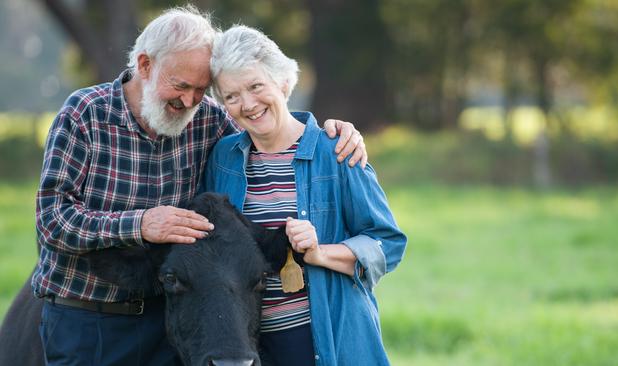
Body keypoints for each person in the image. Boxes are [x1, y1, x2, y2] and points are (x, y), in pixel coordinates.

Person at [32, 6, 367, 366]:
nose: (190, 100)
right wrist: (141, 224)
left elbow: (269, 136)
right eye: (180, 86)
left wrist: (332, 134)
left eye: (200, 88)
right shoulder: (84, 115)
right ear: (145, 66)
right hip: (88, 319)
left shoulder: (209, 118)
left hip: (171, 320)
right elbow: (52, 220)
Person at [205, 25, 407, 366]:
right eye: (232, 96)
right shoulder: (223, 158)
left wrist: (319, 253)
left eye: (256, 86)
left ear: (282, 82)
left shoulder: (337, 151)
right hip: (248, 345)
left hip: (326, 338)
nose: (248, 104)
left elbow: (387, 243)